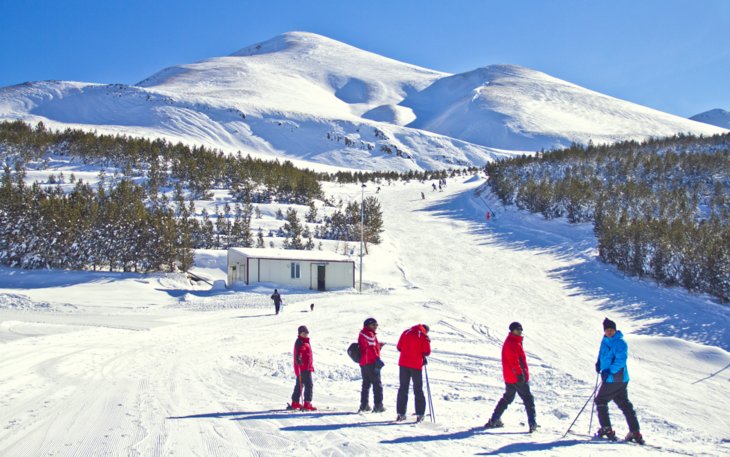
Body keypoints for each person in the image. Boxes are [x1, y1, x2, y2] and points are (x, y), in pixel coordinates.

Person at [594, 318, 643, 444]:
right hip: (617, 379)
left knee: (600, 400)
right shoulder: (605, 341)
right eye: (607, 330)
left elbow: (620, 361)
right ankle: (635, 431)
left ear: (615, 330)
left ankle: (606, 429)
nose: (609, 332)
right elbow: (602, 354)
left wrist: (608, 372)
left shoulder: (620, 343)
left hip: (615, 378)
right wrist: (599, 363)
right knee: (624, 403)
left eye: (611, 330)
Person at [484, 322, 539, 432]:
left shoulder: (514, 341)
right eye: (517, 329)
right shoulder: (512, 343)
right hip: (516, 377)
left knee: (508, 398)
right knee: (528, 399)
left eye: (520, 329)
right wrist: (520, 374)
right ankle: (532, 424)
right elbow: (514, 361)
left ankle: (495, 419)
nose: (520, 331)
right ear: (512, 330)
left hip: (510, 377)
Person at [396, 324, 431, 422]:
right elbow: (427, 352)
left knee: (403, 388)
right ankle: (420, 414)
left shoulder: (406, 332)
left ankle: (401, 414)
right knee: (418, 389)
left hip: (403, 364)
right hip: (416, 365)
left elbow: (399, 347)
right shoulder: (424, 336)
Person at [358, 317, 386, 413]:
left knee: (366, 384)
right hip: (371, 362)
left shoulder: (363, 333)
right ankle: (378, 406)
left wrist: (379, 346)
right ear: (368, 325)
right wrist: (377, 359)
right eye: (373, 325)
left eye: (376, 325)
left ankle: (364, 405)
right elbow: (371, 348)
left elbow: (370, 347)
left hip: (364, 362)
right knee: (377, 384)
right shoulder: (369, 334)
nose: (375, 327)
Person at [288, 325, 316, 411]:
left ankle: (295, 402)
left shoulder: (303, 341)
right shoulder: (301, 342)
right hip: (304, 368)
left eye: (306, 333)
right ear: (300, 333)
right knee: (309, 385)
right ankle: (307, 403)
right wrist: (299, 358)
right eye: (304, 333)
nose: (305, 335)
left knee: (300, 385)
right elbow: (299, 351)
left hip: (304, 367)